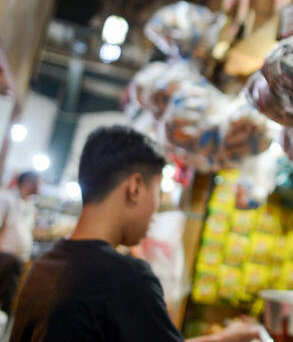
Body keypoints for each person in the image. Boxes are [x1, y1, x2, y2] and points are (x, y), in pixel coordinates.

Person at [11, 126, 259, 342]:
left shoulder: (43, 267)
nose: (157, 207)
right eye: (158, 191)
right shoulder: (126, 278)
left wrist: (221, 338)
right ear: (135, 188)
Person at [0, 171, 39, 316]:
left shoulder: (31, 206)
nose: (40, 186)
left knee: (9, 301)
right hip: (4, 258)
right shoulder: (7, 199)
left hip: (18, 260)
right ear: (27, 182)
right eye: (37, 182)